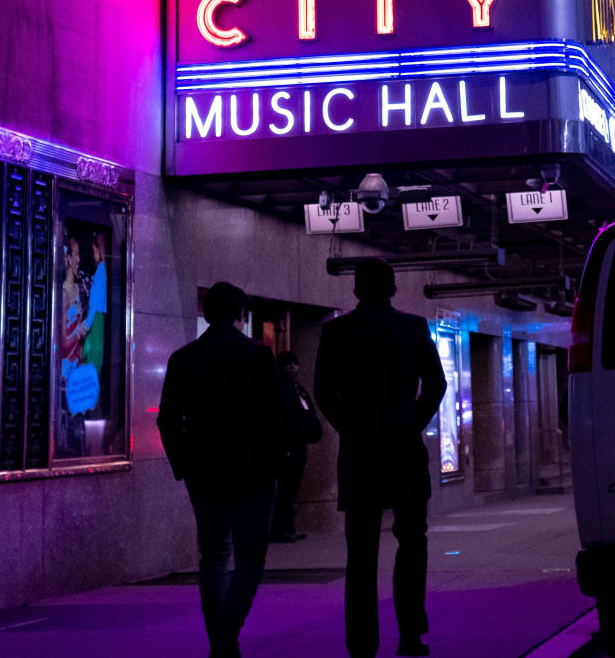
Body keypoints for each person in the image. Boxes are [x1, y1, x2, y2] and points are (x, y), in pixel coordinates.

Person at [314, 260, 446, 658]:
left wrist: (349, 426)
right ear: (392, 288)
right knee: (412, 542)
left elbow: (323, 391)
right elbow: (436, 384)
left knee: (361, 551)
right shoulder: (413, 328)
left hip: (360, 452)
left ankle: (361, 642)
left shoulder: (336, 331)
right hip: (404, 448)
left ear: (356, 291)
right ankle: (409, 634)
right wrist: (413, 422)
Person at [158, 283, 288, 658]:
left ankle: (220, 637)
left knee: (213, 553)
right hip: (255, 469)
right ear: (241, 315)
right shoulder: (258, 356)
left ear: (206, 313)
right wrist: (276, 465)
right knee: (251, 558)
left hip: (203, 468)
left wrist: (182, 466)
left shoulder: (183, 359)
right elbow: (276, 417)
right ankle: (227, 632)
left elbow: (168, 420)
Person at [270, 351, 322, 543]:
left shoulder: (297, 388)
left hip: (298, 444)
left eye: (294, 364)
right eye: (288, 364)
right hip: (288, 444)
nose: (292, 367)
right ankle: (280, 528)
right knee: (285, 487)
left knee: (291, 487)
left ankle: (287, 526)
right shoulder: (283, 388)